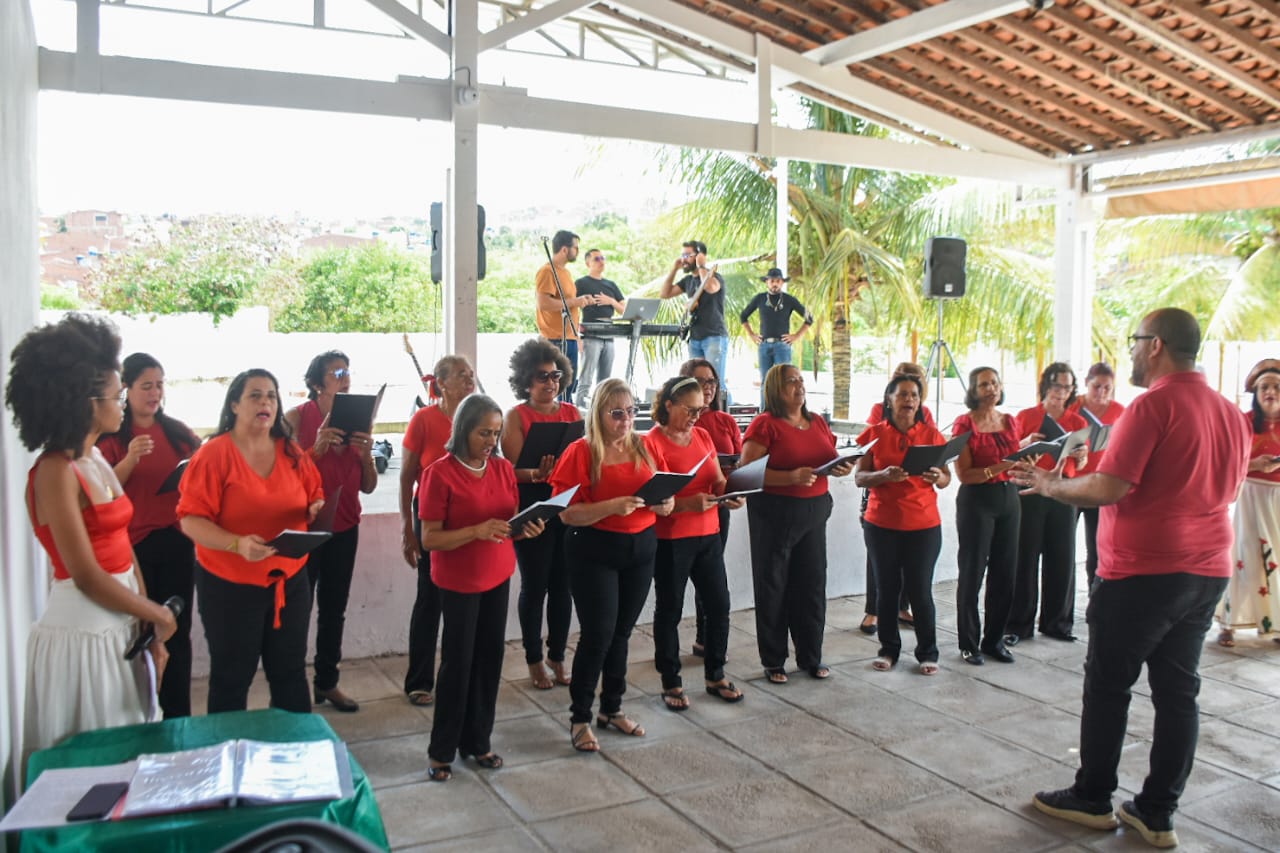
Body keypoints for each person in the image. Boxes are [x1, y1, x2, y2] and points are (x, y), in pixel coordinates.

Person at [1018, 309, 1250, 850]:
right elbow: (1230, 488)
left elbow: (1108, 487)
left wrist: (1051, 485)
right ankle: (1157, 812)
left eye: (1135, 340)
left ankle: (1093, 797)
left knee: (1108, 685)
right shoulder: (1228, 411)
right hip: (1207, 569)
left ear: (1156, 345)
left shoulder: (1152, 406)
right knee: (1179, 692)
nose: (1129, 351)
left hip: (1144, 572)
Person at [7, 314, 176, 759]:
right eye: (117, 395)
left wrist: (147, 620)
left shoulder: (96, 459)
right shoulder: (54, 472)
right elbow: (85, 574)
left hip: (120, 622)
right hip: (84, 634)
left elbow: (123, 545)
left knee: (126, 751)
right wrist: (156, 613)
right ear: (83, 402)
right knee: (92, 759)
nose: (123, 404)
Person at [177, 369, 325, 714]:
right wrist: (237, 544)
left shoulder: (291, 451)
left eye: (271, 396)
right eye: (255, 395)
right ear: (234, 405)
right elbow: (190, 520)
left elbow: (315, 491)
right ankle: (228, 747)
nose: (265, 403)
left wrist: (316, 506)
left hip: (289, 583)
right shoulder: (214, 455)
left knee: (290, 673)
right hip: (230, 589)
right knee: (231, 679)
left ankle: (294, 744)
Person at [419, 394, 546, 782]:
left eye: (496, 433)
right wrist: (474, 531)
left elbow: (508, 522)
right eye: (483, 433)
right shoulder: (439, 473)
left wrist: (526, 529)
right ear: (462, 430)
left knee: (490, 660)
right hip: (459, 580)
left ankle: (478, 740)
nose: (491, 441)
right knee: (458, 664)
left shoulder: (503, 469)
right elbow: (429, 538)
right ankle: (442, 750)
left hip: (497, 574)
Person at [548, 378, 674, 753]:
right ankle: (580, 718)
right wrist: (612, 506)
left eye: (631, 411)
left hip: (641, 547)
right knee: (598, 634)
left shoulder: (645, 446)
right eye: (617, 413)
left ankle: (612, 708)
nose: (626, 420)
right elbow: (566, 513)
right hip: (594, 548)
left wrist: (665, 504)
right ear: (599, 414)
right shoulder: (581, 451)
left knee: (621, 633)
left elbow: (665, 492)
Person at [98, 352, 201, 719]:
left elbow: (202, 469)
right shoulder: (111, 438)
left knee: (176, 630)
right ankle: (141, 714)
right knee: (139, 632)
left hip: (176, 541)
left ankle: (177, 716)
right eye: (146, 386)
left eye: (159, 385)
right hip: (133, 548)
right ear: (126, 389)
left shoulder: (177, 432)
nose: (155, 393)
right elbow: (102, 492)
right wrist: (129, 460)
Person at [740, 363, 855, 683]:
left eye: (801, 380)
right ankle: (774, 660)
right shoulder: (765, 424)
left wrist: (840, 467)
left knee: (812, 586)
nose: (799, 385)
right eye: (791, 381)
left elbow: (827, 458)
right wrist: (789, 477)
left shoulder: (816, 421)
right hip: (774, 514)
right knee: (773, 586)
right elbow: (746, 473)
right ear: (776, 389)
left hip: (814, 514)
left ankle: (811, 656)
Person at [284, 351, 379, 713]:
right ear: (316, 384)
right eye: (337, 373)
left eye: (347, 372)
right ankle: (291, 686)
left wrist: (366, 455)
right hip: (305, 529)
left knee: (334, 609)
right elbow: (282, 479)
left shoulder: (360, 421)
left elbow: (369, 486)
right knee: (298, 609)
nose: (345, 378)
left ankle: (327, 682)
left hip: (346, 526)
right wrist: (316, 449)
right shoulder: (296, 418)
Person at [644, 376, 745, 711]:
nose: (695, 417)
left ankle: (715, 674)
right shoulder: (651, 442)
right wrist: (688, 503)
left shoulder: (702, 435)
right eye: (689, 409)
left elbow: (717, 480)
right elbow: (653, 499)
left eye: (700, 410)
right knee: (670, 610)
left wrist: (730, 494)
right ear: (668, 404)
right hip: (671, 539)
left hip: (708, 533)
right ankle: (671, 681)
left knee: (719, 605)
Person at [854, 374, 951, 675]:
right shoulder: (874, 434)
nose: (909, 399)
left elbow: (946, 478)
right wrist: (883, 475)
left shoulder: (932, 435)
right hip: (882, 524)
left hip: (924, 524)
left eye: (914, 395)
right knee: (887, 590)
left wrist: (938, 477)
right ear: (889, 399)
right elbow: (860, 478)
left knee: (920, 590)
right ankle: (889, 649)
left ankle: (928, 652)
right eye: (903, 394)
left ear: (920, 402)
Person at [501, 339, 580, 690]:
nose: (550, 382)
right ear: (526, 380)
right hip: (531, 503)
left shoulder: (572, 413)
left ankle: (557, 655)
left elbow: (583, 456)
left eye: (555, 375)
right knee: (535, 586)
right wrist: (536, 473)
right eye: (542, 376)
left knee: (563, 586)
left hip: (565, 501)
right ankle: (534, 659)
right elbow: (508, 470)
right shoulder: (515, 416)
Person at [399, 355, 476, 707]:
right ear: (441, 383)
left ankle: (459, 675)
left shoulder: (479, 418)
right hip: (430, 517)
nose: (469, 379)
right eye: (461, 375)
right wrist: (407, 528)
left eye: (470, 374)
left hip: (469, 517)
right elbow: (406, 477)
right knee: (430, 598)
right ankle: (419, 680)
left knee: (464, 599)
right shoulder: (424, 419)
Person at [1007, 363, 1089, 646]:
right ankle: (1018, 624)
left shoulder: (1077, 422)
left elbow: (1082, 462)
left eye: (1066, 387)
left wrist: (1081, 457)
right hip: (1029, 489)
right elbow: (1010, 452)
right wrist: (1026, 441)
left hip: (1063, 492)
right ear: (1045, 386)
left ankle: (1058, 623)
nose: (1060, 392)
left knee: (1062, 557)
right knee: (1024, 557)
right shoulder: (1026, 416)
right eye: (1056, 386)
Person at [951, 366, 1024, 666]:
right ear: (973, 390)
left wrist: (1024, 461)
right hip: (977, 500)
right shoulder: (964, 424)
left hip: (1009, 498)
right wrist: (1002, 466)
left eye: (994, 383)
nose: (991, 388)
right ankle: (969, 644)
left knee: (1005, 573)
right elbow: (965, 474)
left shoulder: (1010, 421)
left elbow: (1016, 461)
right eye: (984, 384)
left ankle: (994, 641)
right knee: (972, 572)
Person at [859, 361, 933, 634]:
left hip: (915, 498)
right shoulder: (878, 410)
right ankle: (873, 610)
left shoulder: (925, 414)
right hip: (882, 492)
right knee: (879, 560)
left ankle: (902, 607)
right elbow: (869, 447)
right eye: (901, 381)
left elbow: (933, 448)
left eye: (914, 383)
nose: (908, 397)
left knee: (911, 562)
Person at [678, 358, 741, 658]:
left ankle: (706, 639)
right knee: (677, 584)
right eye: (701, 381)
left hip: (718, 504)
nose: (708, 387)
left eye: (712, 381)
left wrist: (736, 476)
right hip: (679, 512)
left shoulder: (725, 420)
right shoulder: (680, 423)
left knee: (711, 579)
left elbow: (740, 459)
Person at [1215, 358, 1280, 647]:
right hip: (1250, 495)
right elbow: (1224, 460)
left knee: (1276, 560)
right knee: (1243, 557)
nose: (1271, 392)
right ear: (1256, 392)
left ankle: (1275, 623)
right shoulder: (1242, 422)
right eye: (1264, 387)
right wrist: (1254, 464)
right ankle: (1229, 623)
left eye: (1277, 387)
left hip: (1278, 498)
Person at [1069, 362, 1126, 589]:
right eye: (1096, 387)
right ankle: (1064, 601)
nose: (1101, 393)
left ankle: (1095, 594)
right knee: (1064, 547)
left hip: (1100, 485)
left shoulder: (1120, 411)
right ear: (1086, 384)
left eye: (1107, 388)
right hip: (1071, 483)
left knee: (1098, 547)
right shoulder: (1072, 406)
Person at [660, 240, 730, 403]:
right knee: (696, 383)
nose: (684, 259)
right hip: (695, 337)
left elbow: (710, 287)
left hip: (714, 336)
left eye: (688, 255)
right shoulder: (688, 281)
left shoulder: (714, 277)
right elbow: (665, 293)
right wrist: (674, 269)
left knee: (715, 383)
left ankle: (723, 412)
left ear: (699, 256)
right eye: (682, 255)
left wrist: (702, 266)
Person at [535, 229, 595, 401]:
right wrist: (574, 302)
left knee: (568, 388)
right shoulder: (547, 271)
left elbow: (568, 302)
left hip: (570, 338)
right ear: (564, 249)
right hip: (555, 339)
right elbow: (543, 303)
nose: (578, 251)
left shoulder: (566, 273)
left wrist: (581, 301)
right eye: (575, 248)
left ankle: (568, 416)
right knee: (558, 389)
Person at [739, 268, 812, 406]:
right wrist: (752, 335)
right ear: (767, 282)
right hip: (764, 345)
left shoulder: (789, 299)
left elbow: (809, 318)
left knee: (784, 381)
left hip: (782, 345)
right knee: (765, 381)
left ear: (782, 283)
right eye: (772, 281)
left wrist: (796, 336)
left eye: (778, 281)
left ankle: (783, 413)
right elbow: (743, 316)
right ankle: (764, 412)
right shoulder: (760, 298)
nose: (775, 284)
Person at [574, 248, 626, 407]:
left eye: (603, 258)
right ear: (587, 263)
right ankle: (579, 413)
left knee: (605, 382)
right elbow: (572, 309)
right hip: (590, 337)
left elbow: (624, 310)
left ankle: (601, 412)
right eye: (597, 259)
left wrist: (611, 301)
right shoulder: (581, 283)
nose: (601, 261)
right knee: (585, 379)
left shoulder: (611, 285)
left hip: (609, 337)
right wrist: (576, 337)